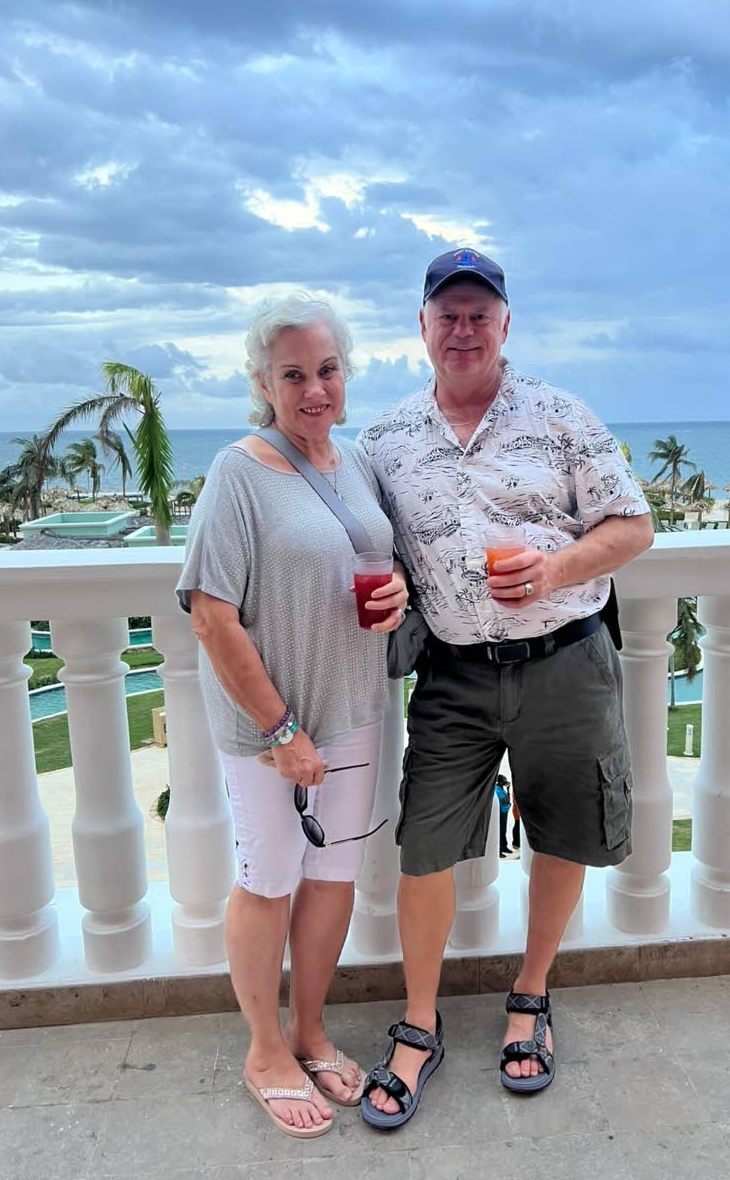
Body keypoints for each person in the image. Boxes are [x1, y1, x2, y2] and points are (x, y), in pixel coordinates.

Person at [358, 248, 653, 1128]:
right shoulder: (383, 441)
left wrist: (557, 564)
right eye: (446, 313)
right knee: (425, 850)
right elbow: (376, 552)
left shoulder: (563, 416)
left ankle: (530, 996)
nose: (462, 329)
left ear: (505, 324)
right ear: (421, 326)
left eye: (478, 313)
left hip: (566, 659)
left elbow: (634, 526)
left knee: (562, 833)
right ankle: (419, 1022)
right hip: (453, 672)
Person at [176, 295, 408, 1141]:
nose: (315, 389)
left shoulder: (352, 464)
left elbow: (373, 562)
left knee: (332, 879)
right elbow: (210, 614)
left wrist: (397, 597)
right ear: (264, 384)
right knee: (269, 879)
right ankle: (265, 1049)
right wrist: (281, 730)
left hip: (355, 709)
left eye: (328, 370)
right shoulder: (237, 474)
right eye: (294, 375)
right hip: (269, 730)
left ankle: (311, 1029)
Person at [495, 774, 512, 857]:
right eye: (504, 780)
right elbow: (505, 801)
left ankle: (504, 847)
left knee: (504, 830)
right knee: (500, 831)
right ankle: (499, 851)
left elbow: (507, 800)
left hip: (505, 811)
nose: (506, 781)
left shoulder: (502, 789)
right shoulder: (497, 790)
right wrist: (508, 791)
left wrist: (508, 791)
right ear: (500, 781)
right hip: (501, 813)